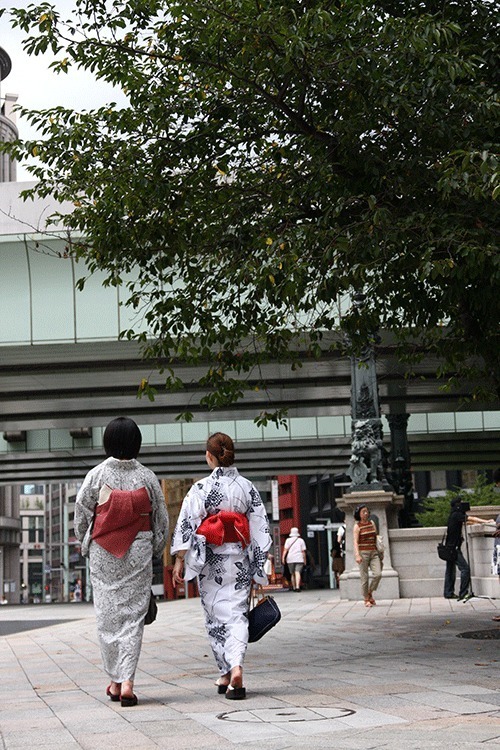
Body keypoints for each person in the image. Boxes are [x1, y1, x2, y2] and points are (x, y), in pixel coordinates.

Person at [74, 417, 169, 707]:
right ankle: (126, 682)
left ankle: (115, 680)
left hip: (104, 550)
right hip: (138, 550)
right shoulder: (147, 477)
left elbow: (82, 510)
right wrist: (154, 546)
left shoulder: (97, 474)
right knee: (132, 618)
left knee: (107, 616)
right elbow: (161, 519)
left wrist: (85, 541)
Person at [171, 432, 271, 700]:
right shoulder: (247, 487)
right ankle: (233, 668)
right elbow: (261, 527)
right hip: (238, 557)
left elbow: (187, 524)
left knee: (215, 618)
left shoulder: (200, 489)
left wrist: (180, 559)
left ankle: (229, 669)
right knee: (237, 613)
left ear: (209, 457)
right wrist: (259, 561)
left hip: (210, 560)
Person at [353, 504, 382, 607]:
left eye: (367, 511)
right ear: (359, 514)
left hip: (374, 552)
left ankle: (370, 592)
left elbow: (376, 537)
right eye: (363, 512)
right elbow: (355, 542)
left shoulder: (372, 523)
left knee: (378, 574)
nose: (366, 513)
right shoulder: (357, 526)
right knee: (364, 577)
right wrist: (357, 555)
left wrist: (379, 550)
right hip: (363, 553)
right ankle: (366, 599)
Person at [282, 527, 307, 592]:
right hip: (299, 558)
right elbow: (303, 551)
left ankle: (293, 587)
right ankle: (297, 587)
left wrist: (283, 558)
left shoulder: (288, 540)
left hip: (290, 559)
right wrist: (305, 560)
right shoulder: (301, 540)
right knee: (297, 572)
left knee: (292, 573)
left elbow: (285, 550)